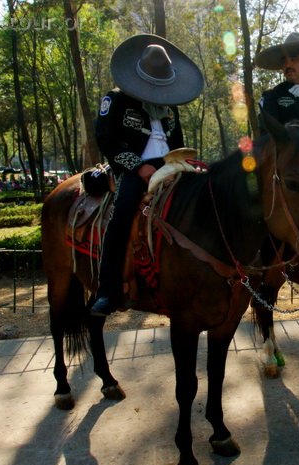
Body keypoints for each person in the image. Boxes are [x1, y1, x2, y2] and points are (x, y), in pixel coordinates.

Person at [91, 34, 204, 316]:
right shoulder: (115, 99)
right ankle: (107, 289)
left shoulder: (170, 107)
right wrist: (137, 167)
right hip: (134, 169)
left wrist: (186, 161)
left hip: (172, 165)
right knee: (123, 212)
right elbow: (106, 139)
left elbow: (177, 141)